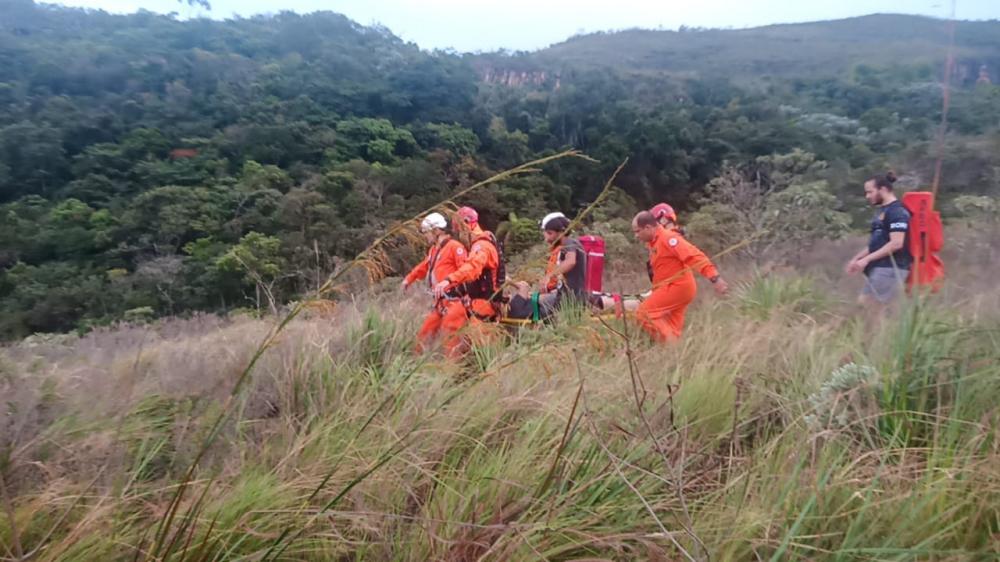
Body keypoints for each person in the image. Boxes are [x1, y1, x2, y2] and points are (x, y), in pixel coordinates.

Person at [631, 210, 728, 341]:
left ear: (648, 227)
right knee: (670, 326)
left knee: (644, 313)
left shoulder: (668, 238)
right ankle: (674, 350)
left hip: (678, 287)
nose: (636, 236)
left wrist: (715, 278)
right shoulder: (654, 243)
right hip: (671, 288)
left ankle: (670, 344)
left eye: (637, 231)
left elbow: (694, 256)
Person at [402, 212, 468, 357]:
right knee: (424, 334)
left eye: (427, 232)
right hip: (440, 303)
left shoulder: (455, 247)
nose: (425, 236)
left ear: (437, 230)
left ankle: (452, 367)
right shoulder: (434, 250)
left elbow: (466, 271)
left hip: (454, 301)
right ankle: (415, 362)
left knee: (450, 338)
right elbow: (425, 265)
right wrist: (409, 279)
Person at [845, 171, 911, 307]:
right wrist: (857, 259)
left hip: (891, 267)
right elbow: (877, 244)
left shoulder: (897, 212)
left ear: (883, 189)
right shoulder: (883, 211)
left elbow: (896, 243)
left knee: (867, 306)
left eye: (870, 192)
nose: (867, 196)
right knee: (872, 309)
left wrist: (867, 259)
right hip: (880, 267)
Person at [508, 212, 587, 321]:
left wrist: (549, 276)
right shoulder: (561, 248)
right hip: (562, 297)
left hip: (568, 300)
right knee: (528, 302)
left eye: (550, 233)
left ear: (561, 232)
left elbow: (570, 261)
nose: (547, 237)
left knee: (519, 310)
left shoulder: (570, 243)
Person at [433, 206, 502, 322]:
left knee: (451, 324)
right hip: (478, 302)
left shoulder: (482, 246)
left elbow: (472, 267)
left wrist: (448, 280)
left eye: (459, 231)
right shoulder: (481, 244)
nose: (459, 236)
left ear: (466, 225)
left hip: (484, 305)